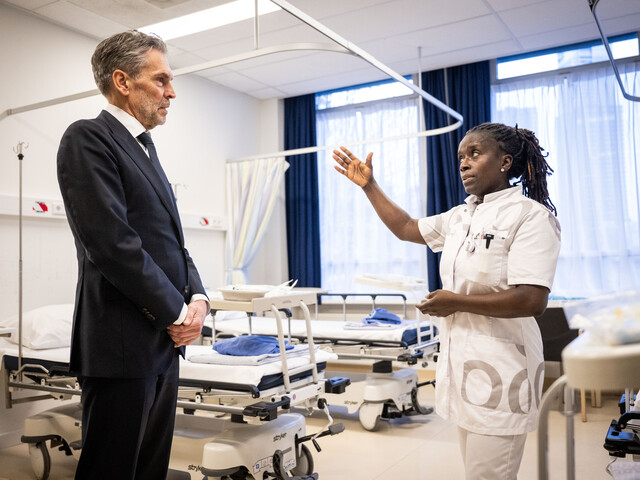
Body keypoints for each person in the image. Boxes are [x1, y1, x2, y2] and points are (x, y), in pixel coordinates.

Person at [333, 122, 561, 480]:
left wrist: (456, 302)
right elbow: (406, 227)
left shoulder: (530, 216)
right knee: (477, 474)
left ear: (504, 162)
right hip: (464, 367)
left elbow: (532, 300)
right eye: (460, 157)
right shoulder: (460, 216)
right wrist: (369, 186)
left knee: (490, 475)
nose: (464, 164)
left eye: (474, 153)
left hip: (503, 369)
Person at [57, 30, 209, 480]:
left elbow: (170, 241)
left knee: (149, 469)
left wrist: (198, 297)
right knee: (112, 469)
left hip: (161, 343)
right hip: (121, 345)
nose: (171, 91)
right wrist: (177, 312)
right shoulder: (88, 138)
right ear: (123, 81)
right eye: (160, 80)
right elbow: (112, 243)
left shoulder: (146, 148)